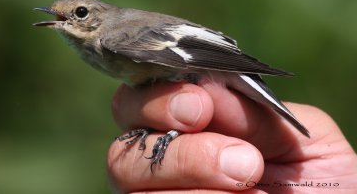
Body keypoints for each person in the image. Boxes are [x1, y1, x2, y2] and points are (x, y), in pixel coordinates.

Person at [107, 72, 357, 193]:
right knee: (186, 108)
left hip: (206, 67)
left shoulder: (114, 36)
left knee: (188, 105)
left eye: (81, 13)